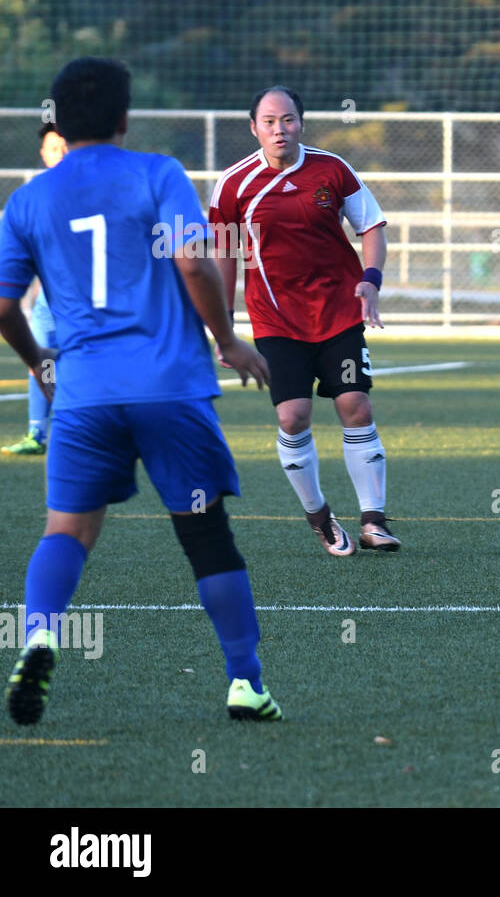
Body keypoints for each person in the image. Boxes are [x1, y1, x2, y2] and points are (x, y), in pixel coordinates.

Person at [0, 57, 282, 724]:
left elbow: (4, 305)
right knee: (206, 534)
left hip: (84, 394)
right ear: (125, 117)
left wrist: (40, 361)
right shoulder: (158, 173)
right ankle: (245, 682)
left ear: (58, 125)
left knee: (66, 530)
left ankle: (40, 632)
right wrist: (228, 340)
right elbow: (191, 257)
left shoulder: (29, 200)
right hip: (169, 389)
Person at [210, 86, 399, 555]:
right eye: (270, 121)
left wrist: (370, 280)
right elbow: (223, 254)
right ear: (254, 127)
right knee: (292, 418)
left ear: (302, 123)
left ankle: (373, 521)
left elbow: (372, 226)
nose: (280, 129)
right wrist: (224, 326)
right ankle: (319, 517)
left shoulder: (333, 169)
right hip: (276, 320)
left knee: (356, 405)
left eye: (289, 119)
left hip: (338, 313)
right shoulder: (233, 185)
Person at [2, 124, 67, 456]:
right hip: (46, 300)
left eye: (65, 147)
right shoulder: (33, 199)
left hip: (80, 303)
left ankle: (73, 428)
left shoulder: (87, 194)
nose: (60, 154)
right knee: (39, 357)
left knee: (78, 359)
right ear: (43, 155)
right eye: (53, 149)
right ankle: (36, 433)